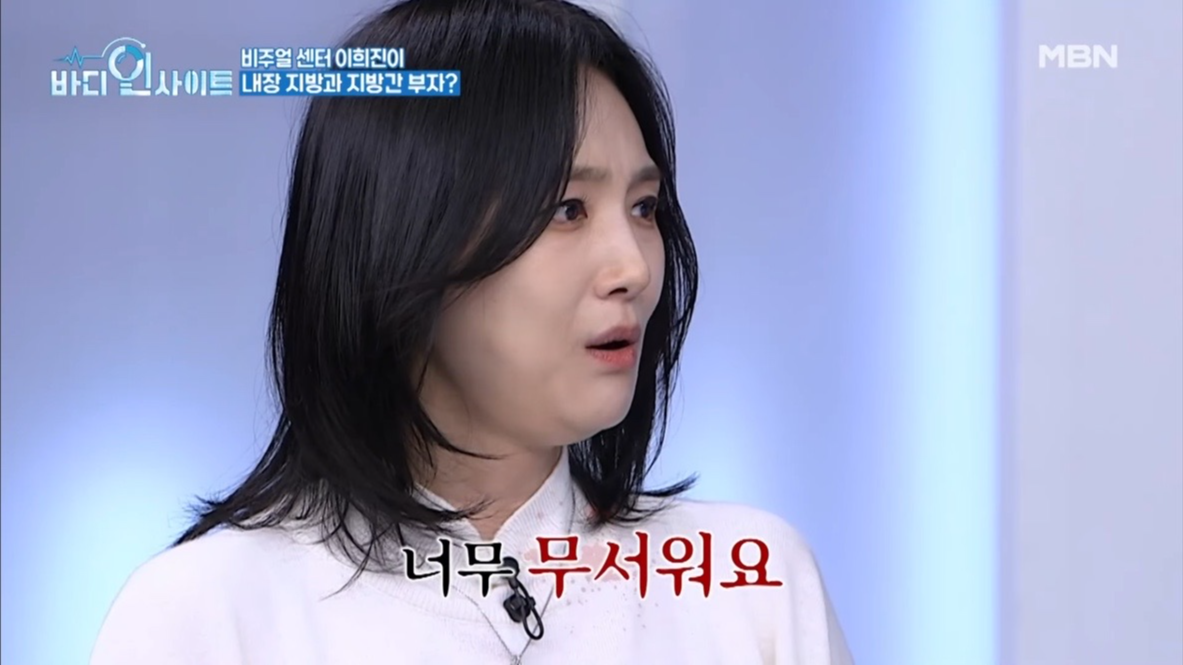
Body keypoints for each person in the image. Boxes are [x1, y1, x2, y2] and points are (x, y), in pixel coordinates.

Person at [90, 0, 853, 663]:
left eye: (644, 208)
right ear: (405, 235)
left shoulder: (748, 585)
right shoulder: (209, 614)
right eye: (567, 210)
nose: (632, 266)